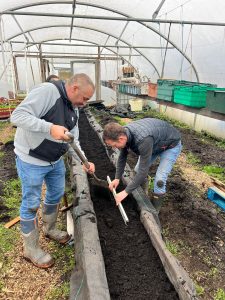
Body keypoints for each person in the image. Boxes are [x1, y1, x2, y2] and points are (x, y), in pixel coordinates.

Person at [10, 73, 95, 269]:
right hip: (31, 158)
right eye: (84, 98)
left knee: (56, 194)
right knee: (31, 203)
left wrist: (84, 160)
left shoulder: (75, 107)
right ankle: (30, 249)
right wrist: (49, 128)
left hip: (54, 160)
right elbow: (17, 115)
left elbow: (74, 139)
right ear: (74, 88)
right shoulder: (48, 92)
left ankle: (49, 229)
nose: (84, 103)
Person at [103, 118, 182, 212]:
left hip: (170, 145)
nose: (113, 147)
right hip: (155, 143)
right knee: (137, 171)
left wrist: (125, 192)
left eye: (114, 145)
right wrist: (117, 178)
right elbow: (122, 157)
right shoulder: (124, 133)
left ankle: (154, 211)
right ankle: (144, 195)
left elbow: (143, 172)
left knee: (160, 180)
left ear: (121, 139)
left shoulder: (142, 140)